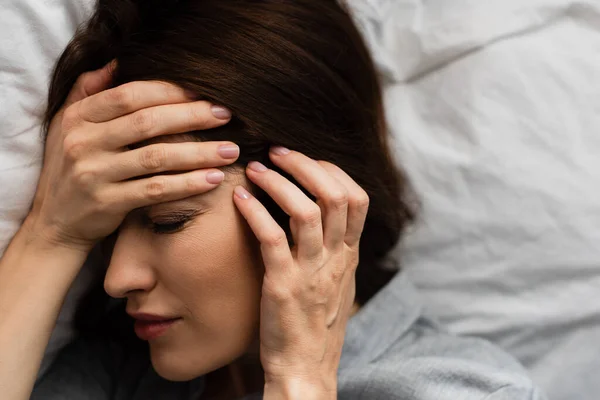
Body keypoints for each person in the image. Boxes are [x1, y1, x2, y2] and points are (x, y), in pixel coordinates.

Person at [0, 1, 546, 399]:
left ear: (310, 198)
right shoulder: (121, 376)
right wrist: (52, 233)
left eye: (168, 221)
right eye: (105, 231)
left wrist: (298, 382)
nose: (118, 279)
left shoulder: (461, 390)